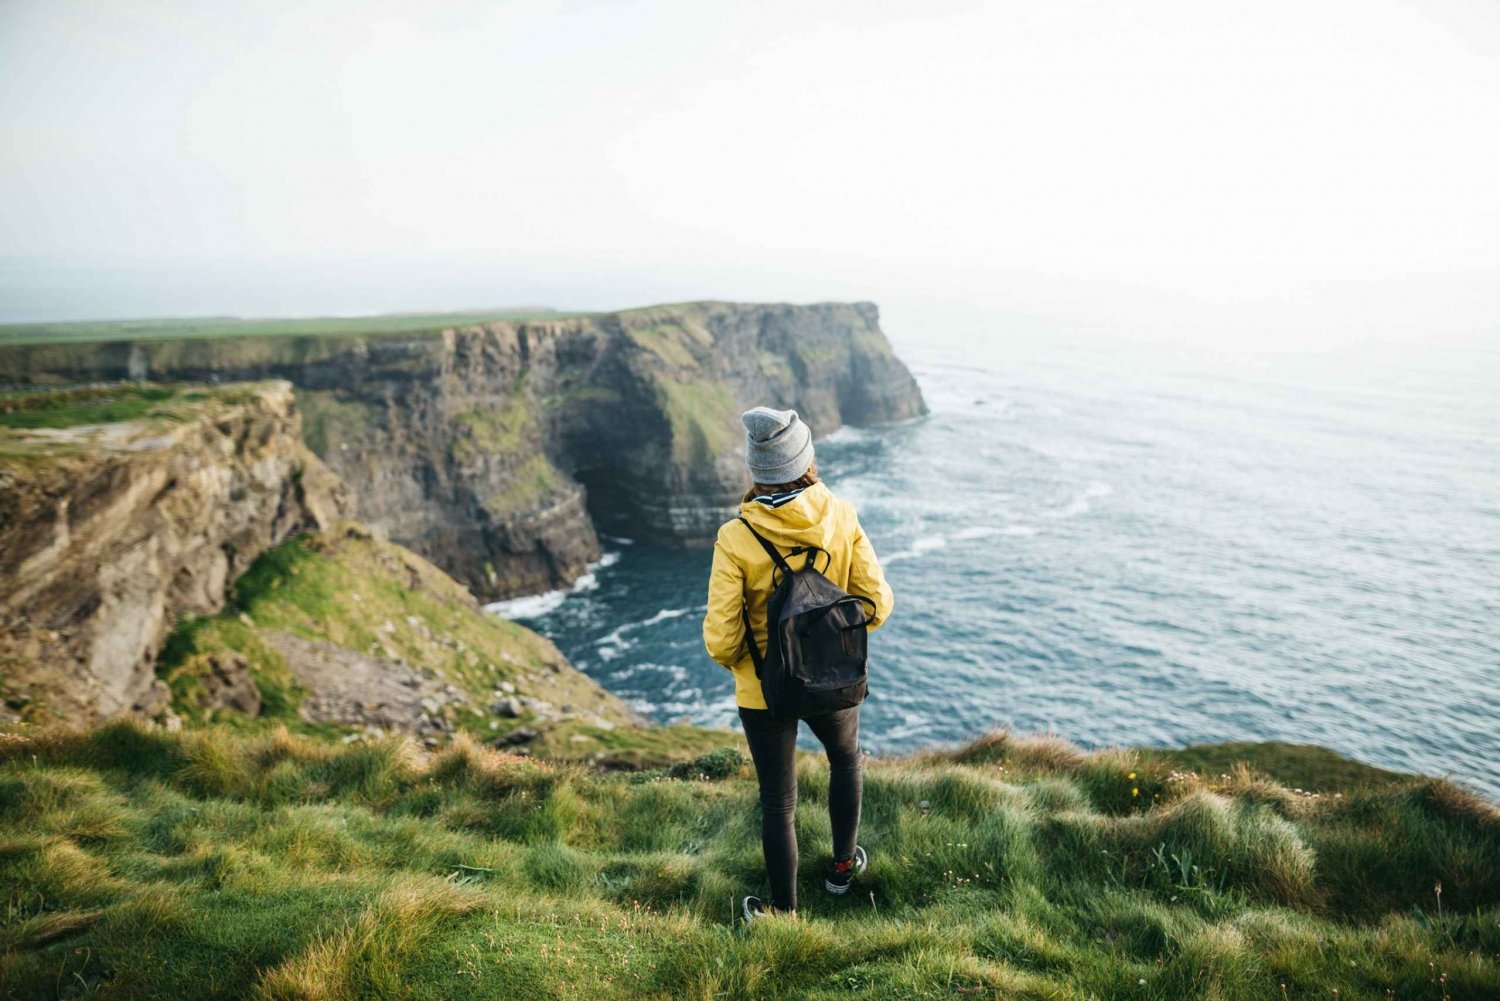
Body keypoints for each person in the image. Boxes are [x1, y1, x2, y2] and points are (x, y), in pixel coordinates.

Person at [703, 406, 894, 922]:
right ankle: (840, 870)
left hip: (764, 690)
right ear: (806, 458)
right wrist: (828, 643)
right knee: (847, 759)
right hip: (832, 675)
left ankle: (784, 915)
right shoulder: (840, 513)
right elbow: (876, 604)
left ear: (756, 469)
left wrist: (759, 665)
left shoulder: (736, 537)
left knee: (778, 803)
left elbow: (722, 640)